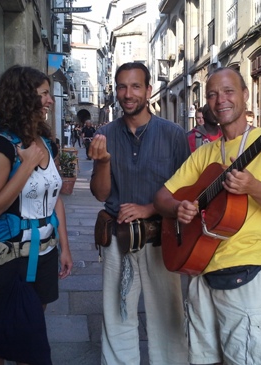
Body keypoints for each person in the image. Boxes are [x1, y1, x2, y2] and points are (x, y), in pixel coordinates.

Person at [154, 67, 261, 365]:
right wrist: (177, 208)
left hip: (248, 275)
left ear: (245, 96)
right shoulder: (205, 153)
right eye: (212, 94)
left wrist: (254, 187)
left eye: (228, 91)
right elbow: (162, 196)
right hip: (201, 273)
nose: (219, 100)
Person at [89, 62, 190, 365]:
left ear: (148, 91)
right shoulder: (105, 134)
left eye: (135, 86)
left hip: (161, 238)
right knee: (116, 315)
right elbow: (101, 194)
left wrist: (148, 208)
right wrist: (103, 162)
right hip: (117, 240)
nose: (127, 93)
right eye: (121, 86)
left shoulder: (173, 135)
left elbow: (184, 190)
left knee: (168, 317)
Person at [0, 65, 73, 365]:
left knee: (29, 337)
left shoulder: (43, 141)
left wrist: (65, 247)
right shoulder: (2, 144)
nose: (50, 100)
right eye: (44, 94)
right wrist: (28, 165)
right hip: (10, 259)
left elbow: (54, 196)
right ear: (23, 97)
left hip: (44, 254)